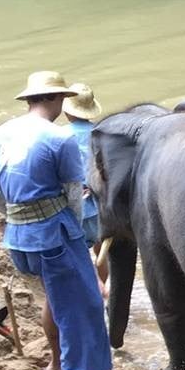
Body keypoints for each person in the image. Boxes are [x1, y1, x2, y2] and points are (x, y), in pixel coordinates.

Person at [0, 70, 113, 370]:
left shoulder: (3, 132)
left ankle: (57, 364)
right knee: (84, 306)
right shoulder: (59, 138)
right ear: (55, 100)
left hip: (16, 237)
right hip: (53, 235)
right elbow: (73, 194)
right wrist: (76, 232)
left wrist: (15, 212)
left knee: (58, 299)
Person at [64, 83, 110, 294]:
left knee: (80, 252)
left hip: (77, 205)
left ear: (66, 110)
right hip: (101, 206)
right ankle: (106, 291)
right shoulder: (102, 134)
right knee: (102, 250)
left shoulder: (61, 135)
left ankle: (95, 293)